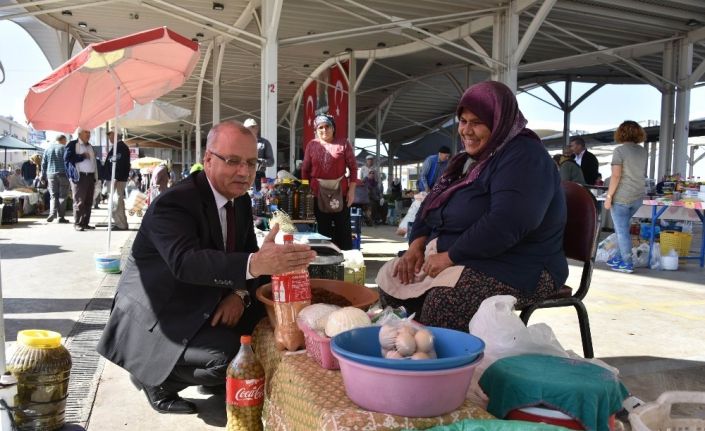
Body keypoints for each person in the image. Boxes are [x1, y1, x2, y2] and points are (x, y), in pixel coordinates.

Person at [97, 121, 316, 415]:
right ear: (208, 160)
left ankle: (199, 369)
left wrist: (238, 294)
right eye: (234, 161)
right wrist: (254, 264)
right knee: (230, 357)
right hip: (162, 313)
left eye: (251, 163)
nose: (244, 172)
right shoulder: (174, 203)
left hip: (205, 295)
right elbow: (186, 262)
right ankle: (154, 378)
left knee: (263, 322)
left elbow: (247, 255)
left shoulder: (238, 201)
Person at [376, 81, 568, 332]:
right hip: (470, 256)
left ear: (499, 121)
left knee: (446, 303)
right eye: (463, 121)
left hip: (520, 264)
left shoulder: (524, 156)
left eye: (476, 122)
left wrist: (450, 257)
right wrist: (416, 246)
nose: (466, 130)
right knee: (394, 279)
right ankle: (411, 356)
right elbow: (430, 205)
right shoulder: (467, 161)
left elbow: (508, 221)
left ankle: (447, 365)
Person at [301, 114, 358, 250]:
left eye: (327, 126)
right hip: (317, 192)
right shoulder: (312, 145)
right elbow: (305, 170)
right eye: (320, 127)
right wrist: (305, 190)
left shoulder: (343, 143)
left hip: (341, 192)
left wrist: (352, 190)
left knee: (343, 229)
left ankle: (346, 260)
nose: (324, 130)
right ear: (316, 130)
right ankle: (325, 261)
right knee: (323, 229)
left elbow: (353, 168)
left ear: (333, 128)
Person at [604, 121, 648, 274]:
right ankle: (618, 257)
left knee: (622, 231)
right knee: (621, 228)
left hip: (622, 197)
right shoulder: (642, 151)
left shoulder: (620, 151)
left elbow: (616, 175)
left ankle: (627, 263)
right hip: (637, 196)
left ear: (620, 133)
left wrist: (609, 196)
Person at [64, 128, 97, 231]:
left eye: (89, 132)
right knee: (79, 201)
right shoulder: (73, 144)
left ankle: (85, 223)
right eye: (86, 132)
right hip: (80, 177)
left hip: (90, 176)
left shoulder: (90, 146)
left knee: (88, 201)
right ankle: (78, 223)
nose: (88, 134)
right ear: (79, 134)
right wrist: (81, 156)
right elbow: (67, 158)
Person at [104, 130, 131, 230]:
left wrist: (115, 177)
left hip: (116, 179)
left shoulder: (120, 147)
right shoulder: (119, 147)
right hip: (117, 178)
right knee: (117, 202)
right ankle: (121, 223)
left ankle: (121, 224)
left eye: (110, 135)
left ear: (116, 136)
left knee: (116, 202)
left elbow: (120, 164)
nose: (109, 138)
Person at [41, 135, 70, 223]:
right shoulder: (64, 148)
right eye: (65, 140)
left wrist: (43, 176)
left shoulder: (48, 149)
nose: (66, 142)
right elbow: (68, 162)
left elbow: (43, 164)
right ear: (62, 140)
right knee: (62, 196)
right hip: (63, 174)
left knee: (53, 195)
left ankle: (52, 213)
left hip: (51, 175)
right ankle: (60, 217)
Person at [244, 118, 274, 191]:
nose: (247, 131)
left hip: (259, 176)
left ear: (256, 129)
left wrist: (259, 161)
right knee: (242, 198)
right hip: (243, 174)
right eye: (245, 129)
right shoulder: (240, 142)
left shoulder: (265, 143)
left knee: (258, 199)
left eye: (250, 128)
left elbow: (271, 162)